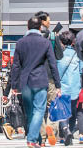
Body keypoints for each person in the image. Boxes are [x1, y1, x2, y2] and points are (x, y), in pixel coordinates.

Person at [11, 16, 61, 148]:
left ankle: (38, 139)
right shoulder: (45, 43)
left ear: (27, 27)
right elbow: (52, 64)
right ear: (40, 27)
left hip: (25, 82)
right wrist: (57, 84)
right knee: (39, 110)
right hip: (40, 80)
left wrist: (14, 85)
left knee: (30, 112)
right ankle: (32, 139)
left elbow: (15, 66)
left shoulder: (20, 42)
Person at [36, 11, 64, 147]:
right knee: (53, 106)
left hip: (36, 77)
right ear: (43, 22)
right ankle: (51, 129)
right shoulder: (52, 36)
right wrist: (56, 39)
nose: (50, 22)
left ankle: (41, 138)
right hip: (51, 77)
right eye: (48, 20)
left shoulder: (31, 36)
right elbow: (59, 56)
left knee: (39, 108)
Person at [56, 31, 82, 146]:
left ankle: (66, 130)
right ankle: (69, 133)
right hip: (75, 88)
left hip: (62, 88)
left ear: (62, 42)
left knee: (63, 112)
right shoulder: (78, 55)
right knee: (73, 112)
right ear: (72, 42)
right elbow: (81, 71)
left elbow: (55, 71)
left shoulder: (59, 55)